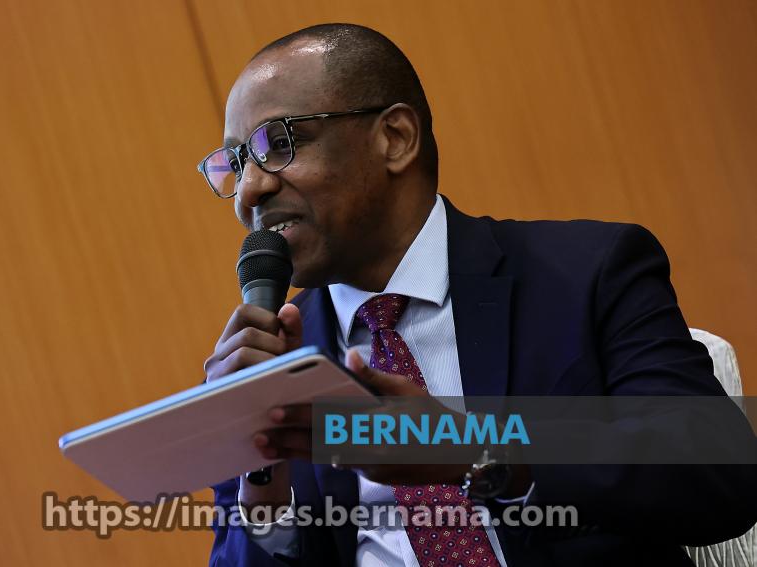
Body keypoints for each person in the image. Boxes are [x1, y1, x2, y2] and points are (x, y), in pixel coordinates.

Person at [199, 23, 757, 567]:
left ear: (395, 138)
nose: (250, 190)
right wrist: (262, 483)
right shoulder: (262, 363)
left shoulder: (587, 272)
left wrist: (470, 450)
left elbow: (718, 473)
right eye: (236, 164)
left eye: (279, 143)